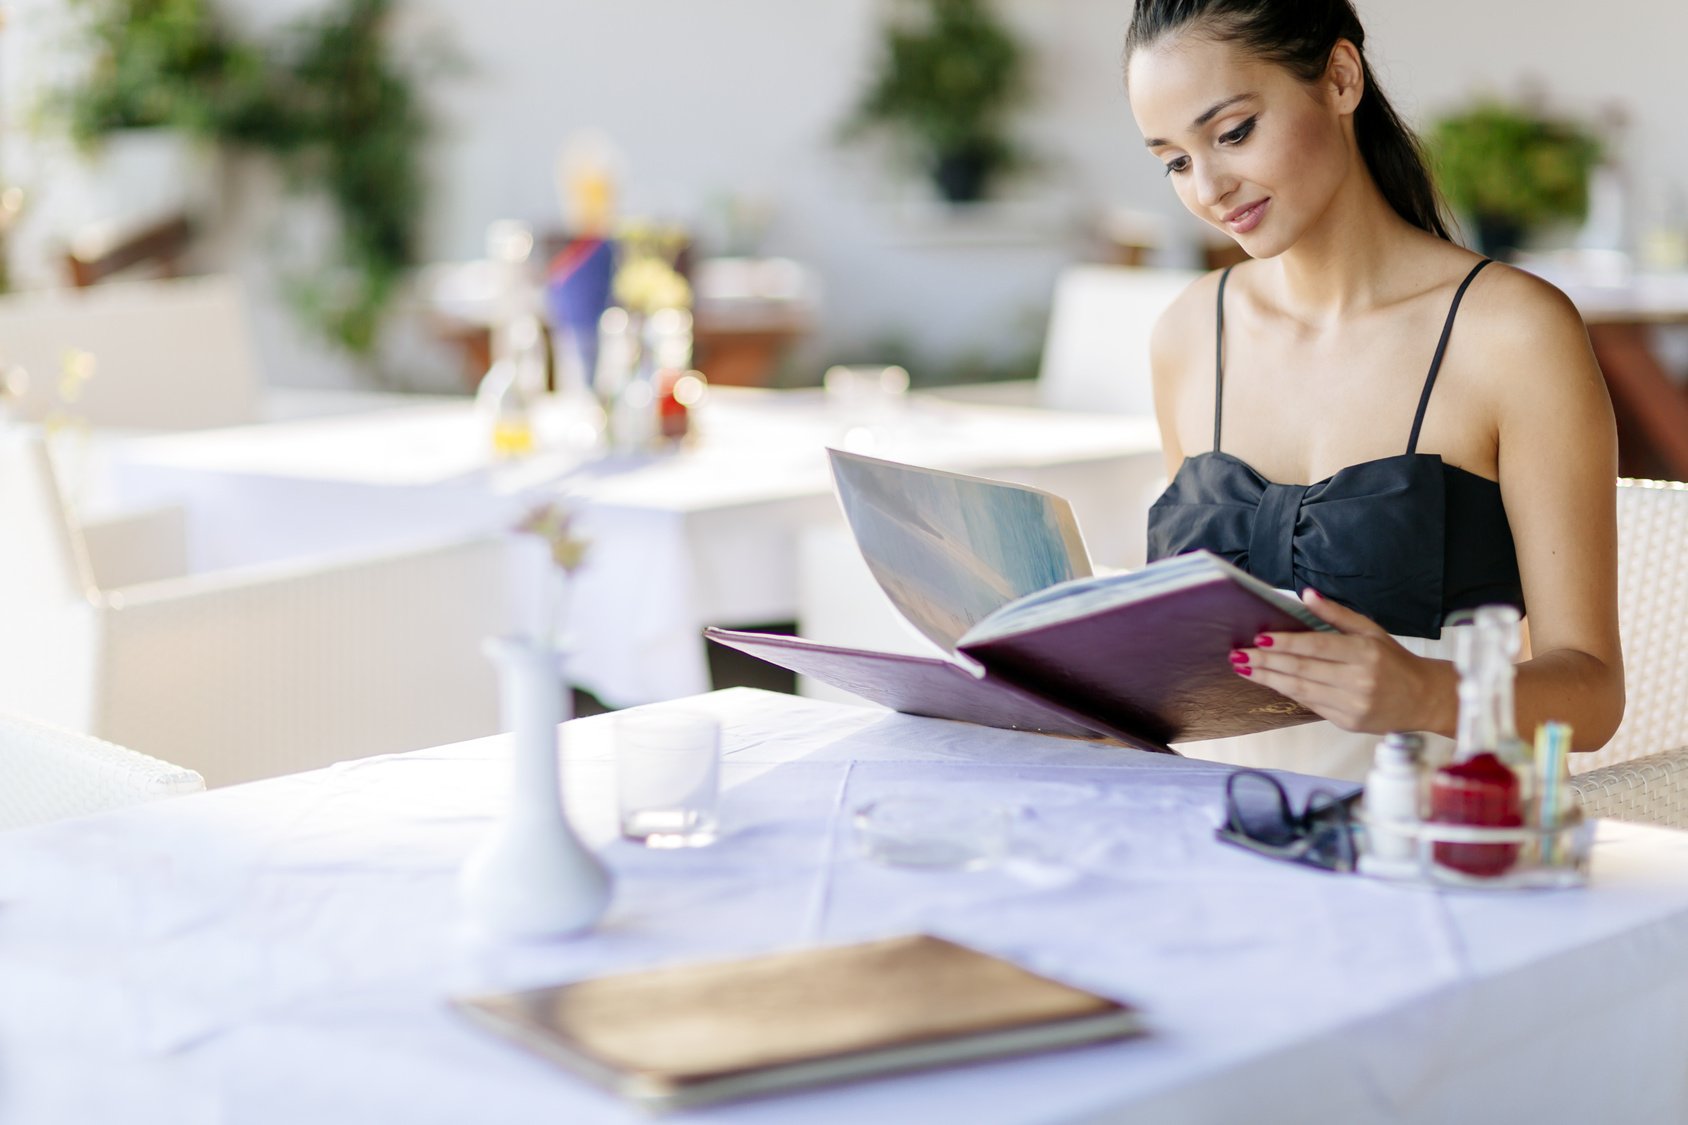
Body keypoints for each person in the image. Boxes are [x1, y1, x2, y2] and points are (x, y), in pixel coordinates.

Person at [1125, 0, 1624, 779]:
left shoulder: (1512, 333)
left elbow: (1592, 693)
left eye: (1232, 133)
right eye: (1175, 160)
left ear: (1341, 77)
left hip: (1433, 845)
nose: (1210, 188)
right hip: (1211, 832)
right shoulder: (1188, 334)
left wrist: (1429, 692)